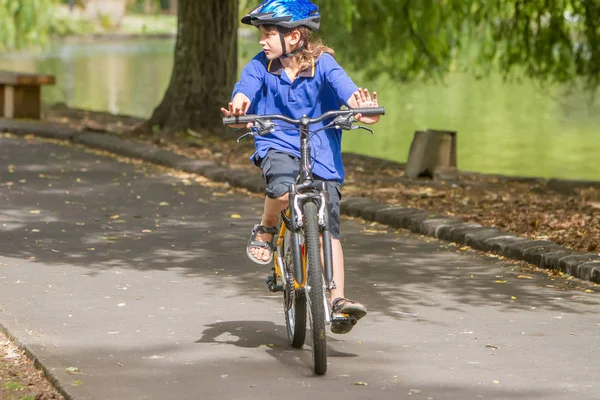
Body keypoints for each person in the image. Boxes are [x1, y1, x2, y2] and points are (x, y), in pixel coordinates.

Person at [221, 0, 381, 334]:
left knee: (329, 227)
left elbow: (346, 89)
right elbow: (245, 90)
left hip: (321, 149)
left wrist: (360, 107)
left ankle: (337, 300)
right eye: (261, 33)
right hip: (276, 141)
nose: (262, 40)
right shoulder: (260, 66)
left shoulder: (324, 65)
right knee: (281, 191)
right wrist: (239, 106)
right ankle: (266, 229)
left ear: (294, 37)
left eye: (268, 33)